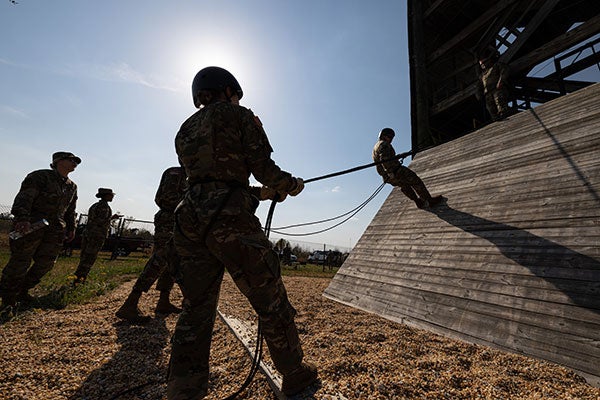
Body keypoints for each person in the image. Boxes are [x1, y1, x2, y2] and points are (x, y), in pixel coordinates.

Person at [167, 66, 317, 399]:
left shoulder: (185, 128)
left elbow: (211, 177)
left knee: (196, 305)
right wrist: (290, 185)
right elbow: (263, 168)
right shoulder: (240, 116)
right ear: (229, 90)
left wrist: (259, 191)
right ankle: (293, 372)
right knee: (269, 296)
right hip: (229, 216)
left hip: (189, 216)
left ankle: (183, 386)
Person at [0, 152, 80, 309]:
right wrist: (22, 218)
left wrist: (71, 228)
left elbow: (70, 210)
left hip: (55, 231)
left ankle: (22, 291)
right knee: (20, 261)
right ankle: (8, 297)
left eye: (76, 161)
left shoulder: (72, 186)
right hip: (31, 226)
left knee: (46, 263)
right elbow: (24, 198)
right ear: (58, 161)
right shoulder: (40, 176)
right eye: (71, 159)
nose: (75, 162)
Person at [116, 166, 187, 323]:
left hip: (180, 220)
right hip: (170, 219)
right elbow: (166, 198)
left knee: (171, 261)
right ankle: (130, 303)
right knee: (160, 258)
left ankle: (163, 301)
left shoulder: (190, 174)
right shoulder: (176, 173)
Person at [373, 128, 443, 209]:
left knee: (405, 186)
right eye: (389, 137)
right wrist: (390, 172)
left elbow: (387, 158)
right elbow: (384, 160)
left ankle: (418, 202)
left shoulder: (376, 147)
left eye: (392, 137)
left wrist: (399, 156)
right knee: (415, 180)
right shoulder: (384, 144)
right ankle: (430, 200)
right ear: (383, 136)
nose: (391, 139)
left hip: (387, 177)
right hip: (395, 171)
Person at [73, 188, 120, 284]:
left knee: (84, 257)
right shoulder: (104, 207)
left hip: (88, 233)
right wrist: (112, 218)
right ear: (106, 195)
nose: (112, 197)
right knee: (90, 257)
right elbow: (100, 221)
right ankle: (80, 279)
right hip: (96, 235)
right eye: (111, 195)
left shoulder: (95, 205)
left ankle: (77, 278)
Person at [477, 48, 511, 121]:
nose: (483, 65)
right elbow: (479, 86)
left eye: (484, 63)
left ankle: (503, 115)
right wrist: (479, 95)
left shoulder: (496, 66)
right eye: (481, 64)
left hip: (497, 89)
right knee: (490, 108)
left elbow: (505, 70)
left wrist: (501, 81)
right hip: (488, 93)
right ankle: (495, 119)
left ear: (488, 61)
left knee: (500, 102)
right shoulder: (482, 75)